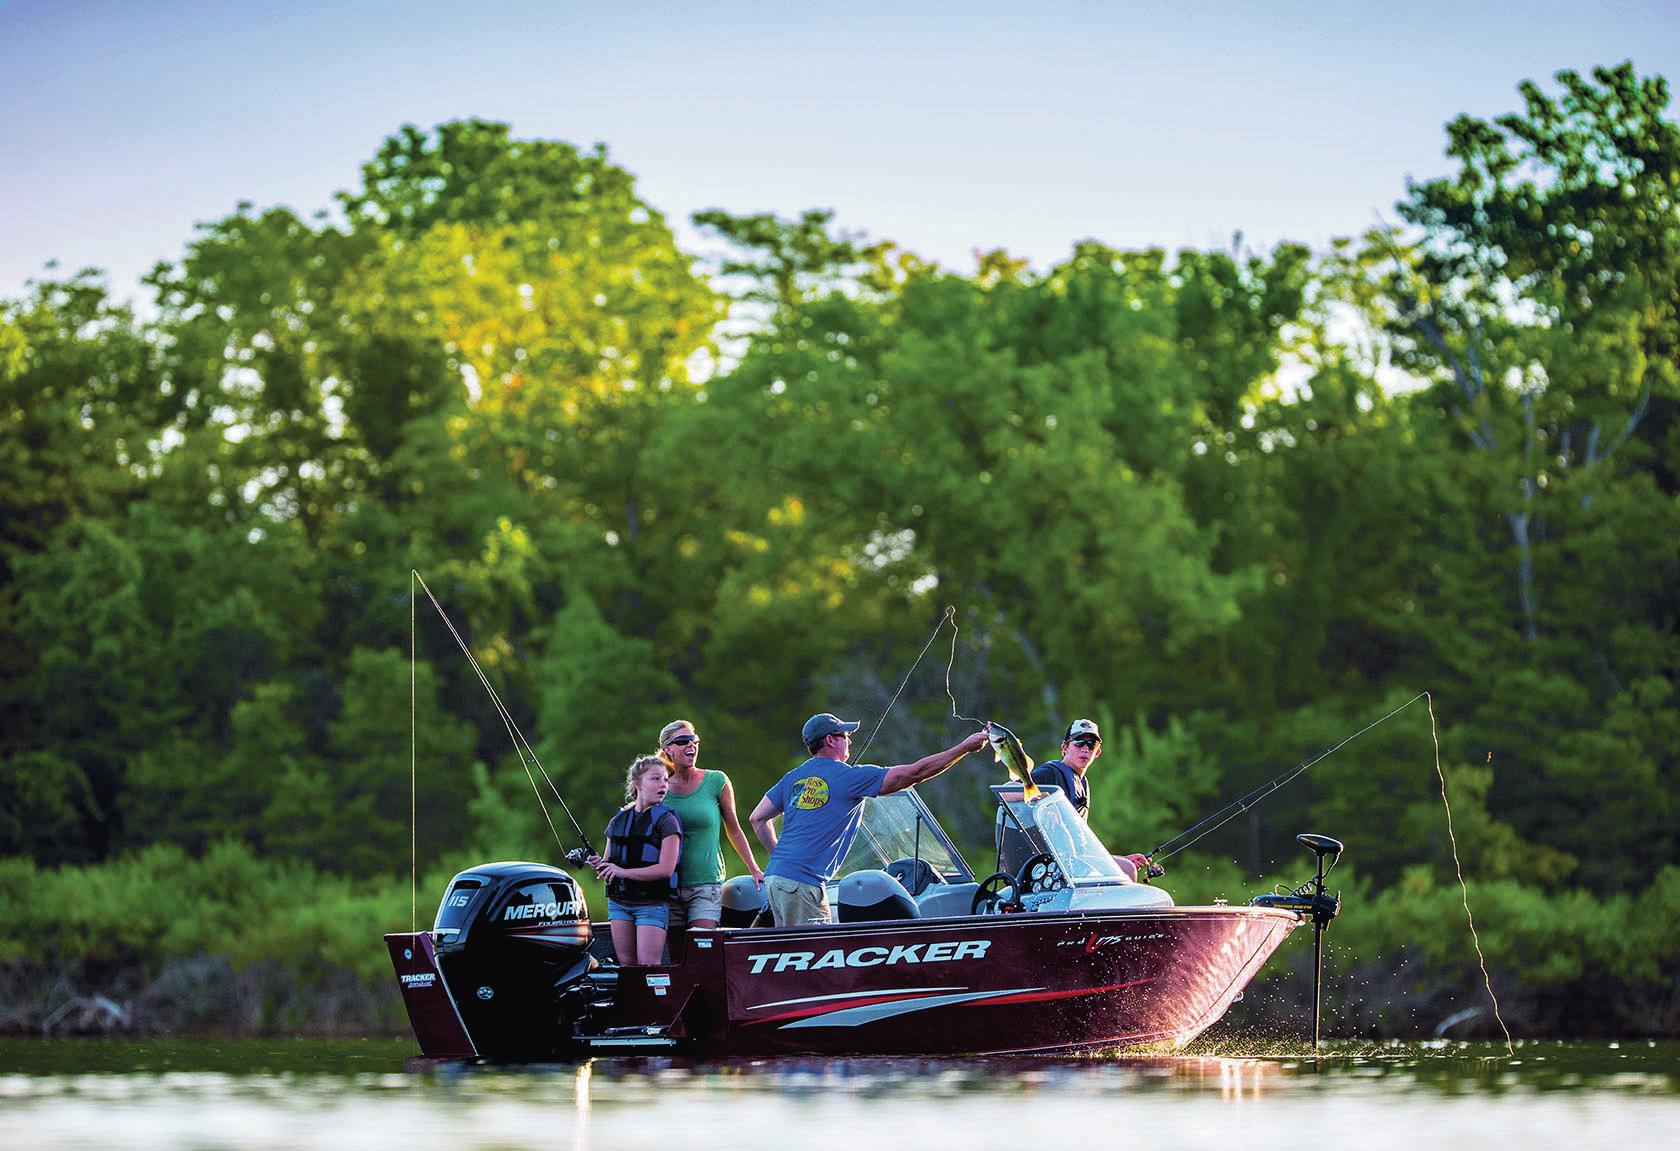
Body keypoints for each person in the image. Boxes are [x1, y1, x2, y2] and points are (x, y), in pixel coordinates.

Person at [749, 712, 989, 926]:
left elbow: (757, 818)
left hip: (776, 878)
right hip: (803, 884)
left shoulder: (793, 777)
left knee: (789, 956)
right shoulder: (849, 777)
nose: (850, 740)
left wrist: (780, 857)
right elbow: (914, 773)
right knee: (811, 960)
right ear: (831, 740)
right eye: (844, 735)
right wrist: (964, 748)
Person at [656, 718, 764, 956]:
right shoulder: (658, 787)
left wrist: (754, 868)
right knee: (677, 957)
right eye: (682, 741)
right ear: (668, 749)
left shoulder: (716, 781)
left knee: (702, 951)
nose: (691, 746)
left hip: (706, 883)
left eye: (694, 740)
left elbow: (733, 828)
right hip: (667, 886)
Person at [1030, 717, 1155, 882]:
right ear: (1065, 747)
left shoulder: (1082, 784)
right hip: (1051, 863)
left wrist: (1115, 859)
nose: (1085, 749)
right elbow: (1008, 790)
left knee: (1125, 865)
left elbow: (1081, 846)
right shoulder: (1050, 773)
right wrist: (1047, 803)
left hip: (1074, 861)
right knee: (1127, 870)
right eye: (1079, 743)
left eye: (1091, 745)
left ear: (1097, 752)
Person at [589, 754, 682, 966]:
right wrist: (599, 865)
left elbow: (666, 869)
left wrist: (622, 872)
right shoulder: (618, 820)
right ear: (637, 784)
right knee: (627, 967)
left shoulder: (668, 821)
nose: (663, 785)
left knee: (648, 966)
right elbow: (607, 865)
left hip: (652, 904)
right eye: (656, 779)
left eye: (666, 780)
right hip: (619, 903)